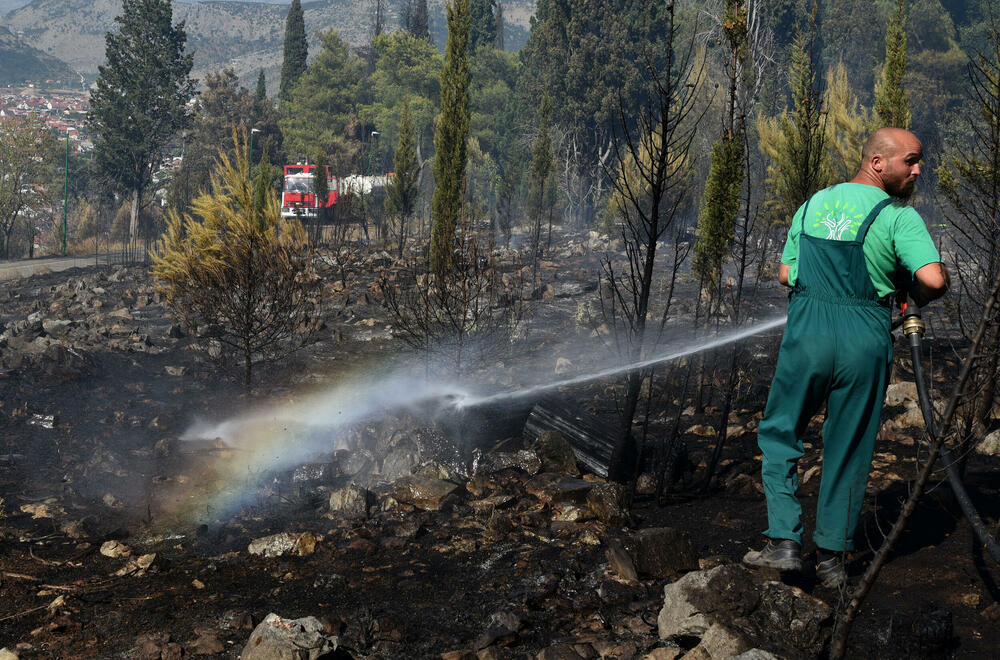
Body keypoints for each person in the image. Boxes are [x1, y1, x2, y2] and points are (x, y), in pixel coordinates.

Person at [743, 127, 949, 588]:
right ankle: (833, 560)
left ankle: (784, 543)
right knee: (849, 446)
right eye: (910, 161)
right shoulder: (899, 217)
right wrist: (907, 294)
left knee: (780, 434)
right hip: (864, 340)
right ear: (878, 163)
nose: (918, 170)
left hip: (807, 336)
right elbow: (933, 281)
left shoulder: (813, 204)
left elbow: (784, 275)